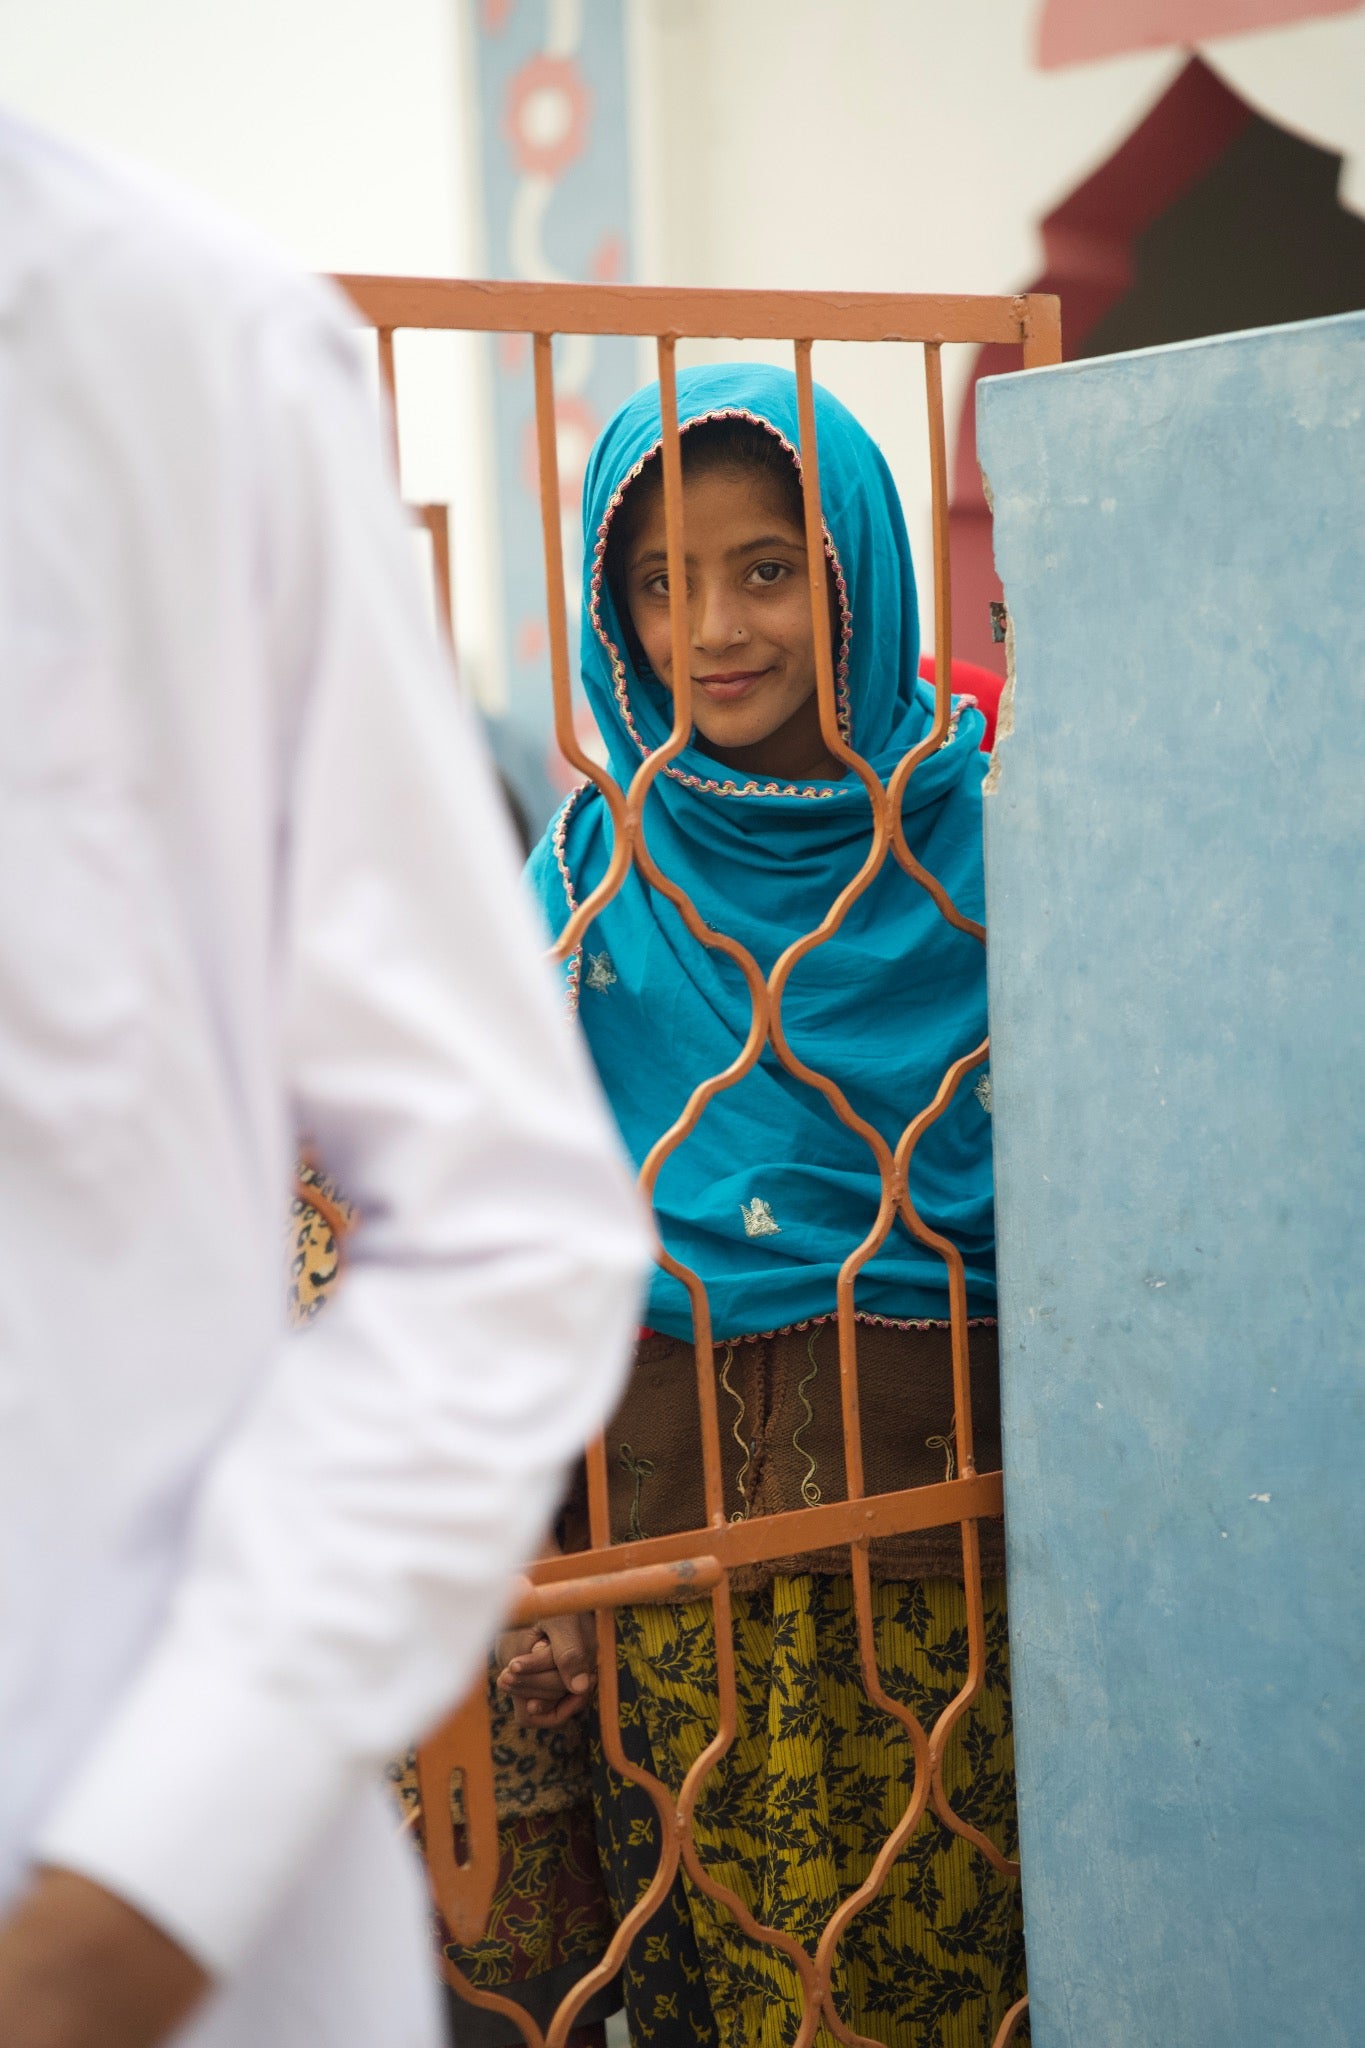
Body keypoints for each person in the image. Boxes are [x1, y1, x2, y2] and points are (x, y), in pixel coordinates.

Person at [0, 108, 648, 2048]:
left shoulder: (169, 363)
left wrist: (130, 1910)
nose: (706, 629)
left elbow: (501, 1224)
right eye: (657, 585)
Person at [502, 366, 1025, 2046]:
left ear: (857, 571)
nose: (712, 630)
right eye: (661, 583)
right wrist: (542, 1554)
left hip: (968, 1567)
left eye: (767, 569)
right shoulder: (592, 880)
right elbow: (503, 1224)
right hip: (667, 1586)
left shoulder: (1002, 842)